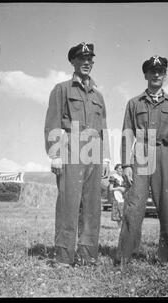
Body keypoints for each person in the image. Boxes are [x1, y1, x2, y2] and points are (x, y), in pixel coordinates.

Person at [116, 55, 168, 267]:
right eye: (152, 71)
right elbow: (127, 134)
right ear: (145, 74)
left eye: (161, 71)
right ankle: (124, 256)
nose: (156, 75)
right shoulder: (134, 103)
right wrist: (126, 164)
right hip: (142, 153)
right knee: (134, 205)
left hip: (166, 154)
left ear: (165, 75)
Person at [44, 42, 110, 267]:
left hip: (94, 153)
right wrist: (55, 154)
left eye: (90, 59)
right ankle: (63, 257)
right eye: (82, 59)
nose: (87, 63)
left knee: (92, 207)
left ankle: (87, 256)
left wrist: (107, 157)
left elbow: (103, 129)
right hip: (71, 149)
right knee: (68, 205)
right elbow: (52, 122)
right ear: (73, 61)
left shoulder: (98, 95)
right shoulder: (61, 89)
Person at [109, 164, 127, 229]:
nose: (121, 170)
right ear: (116, 169)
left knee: (123, 213)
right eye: (119, 168)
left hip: (123, 196)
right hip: (116, 196)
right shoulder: (113, 177)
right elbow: (110, 189)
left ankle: (123, 227)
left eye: (121, 168)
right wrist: (119, 188)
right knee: (118, 213)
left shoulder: (123, 177)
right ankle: (119, 228)